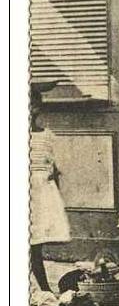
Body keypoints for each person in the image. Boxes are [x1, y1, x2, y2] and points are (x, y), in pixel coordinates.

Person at [29, 84, 70, 293]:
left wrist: (56, 199)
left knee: (35, 243)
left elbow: (57, 168)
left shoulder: (47, 136)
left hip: (40, 193)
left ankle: (44, 288)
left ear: (37, 108)